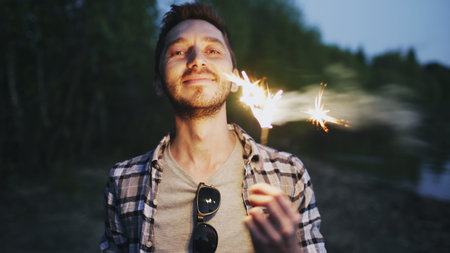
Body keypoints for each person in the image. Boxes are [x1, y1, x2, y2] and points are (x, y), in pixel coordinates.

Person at [100, 2, 325, 253]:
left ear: (235, 80)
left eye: (213, 51)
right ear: (158, 83)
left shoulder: (289, 175)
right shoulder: (123, 181)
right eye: (177, 52)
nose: (197, 60)